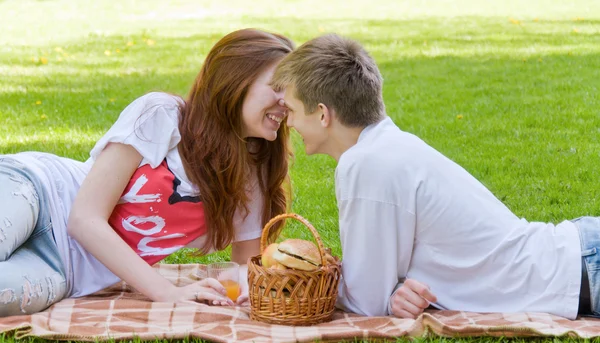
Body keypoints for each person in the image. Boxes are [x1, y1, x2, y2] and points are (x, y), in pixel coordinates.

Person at [270, 33, 594, 321]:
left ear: (323, 114)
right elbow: (378, 286)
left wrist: (295, 279)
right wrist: (395, 290)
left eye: (294, 111)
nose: (291, 124)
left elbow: (364, 301)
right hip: (579, 257)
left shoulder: (367, 163)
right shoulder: (387, 146)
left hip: (582, 270)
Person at [0, 28, 294, 317]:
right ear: (235, 80)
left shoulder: (254, 172)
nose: (287, 102)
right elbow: (84, 219)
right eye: (277, 86)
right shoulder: (162, 115)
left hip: (65, 269)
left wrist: (244, 288)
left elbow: (243, 266)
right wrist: (167, 292)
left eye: (292, 92)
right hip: (37, 192)